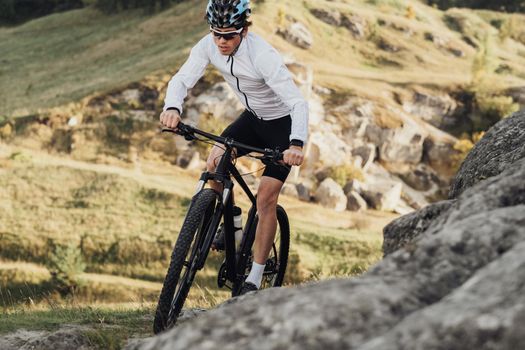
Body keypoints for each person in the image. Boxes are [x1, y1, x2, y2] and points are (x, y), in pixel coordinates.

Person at [159, 0, 308, 295]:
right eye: (217, 34)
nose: (222, 41)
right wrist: (172, 107)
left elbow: (298, 102)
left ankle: (254, 276)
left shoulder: (262, 55)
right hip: (252, 120)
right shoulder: (208, 45)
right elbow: (182, 78)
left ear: (245, 30)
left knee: (266, 199)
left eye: (229, 35)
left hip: (283, 127)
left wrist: (297, 143)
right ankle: (228, 226)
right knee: (215, 161)